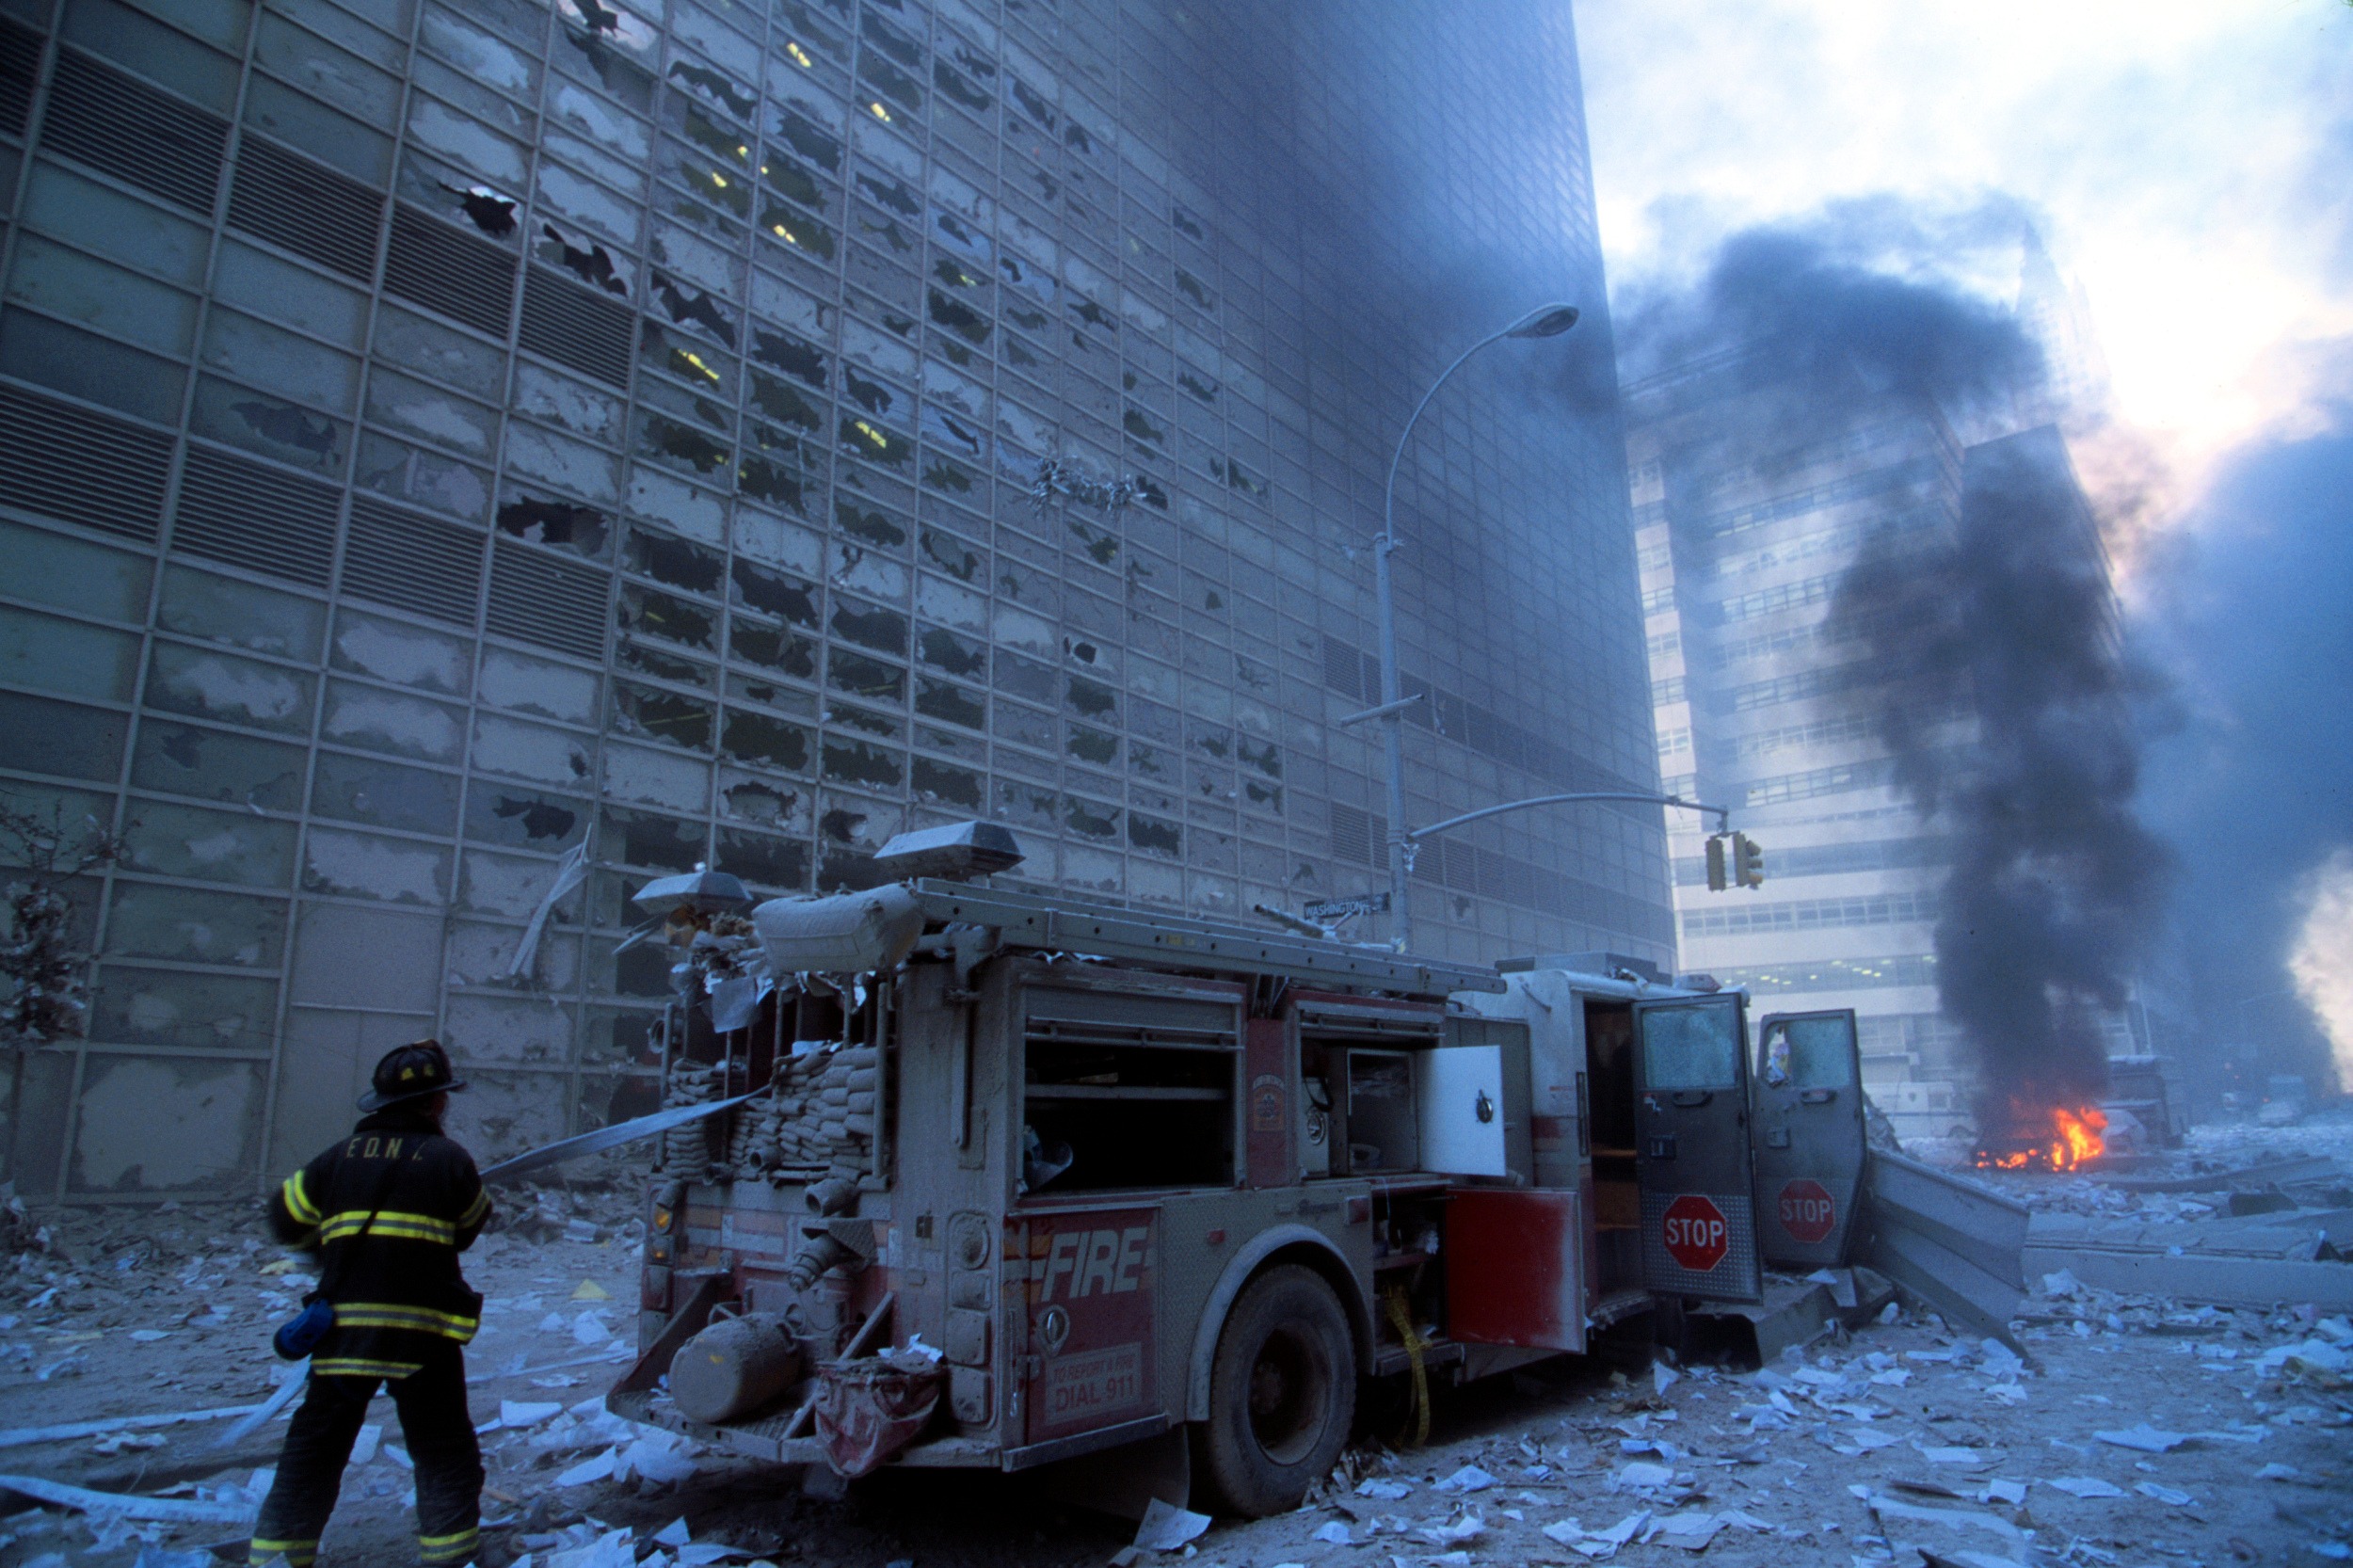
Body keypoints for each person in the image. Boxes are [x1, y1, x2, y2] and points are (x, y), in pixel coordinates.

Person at [248, 1041, 492, 1568]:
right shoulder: (450, 1160)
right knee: (442, 1448)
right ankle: (448, 1557)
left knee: (314, 1449)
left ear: (380, 1103)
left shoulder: (335, 1159)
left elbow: (284, 1217)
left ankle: (276, 1557)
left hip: (344, 1333)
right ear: (437, 1102)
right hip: (422, 1338)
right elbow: (468, 1230)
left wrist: (326, 1252)